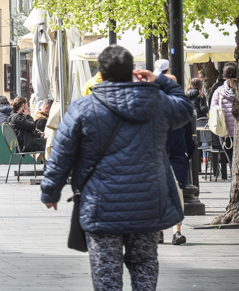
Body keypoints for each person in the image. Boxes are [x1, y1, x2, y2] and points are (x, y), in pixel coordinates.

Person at [41, 45, 193, 291]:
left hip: (101, 206)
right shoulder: (157, 102)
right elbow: (186, 109)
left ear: (99, 75)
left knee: (106, 272)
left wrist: (50, 191)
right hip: (147, 204)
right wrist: (162, 80)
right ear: (133, 71)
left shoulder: (82, 108)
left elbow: (61, 153)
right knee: (144, 263)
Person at [163, 74, 193, 246]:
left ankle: (176, 232)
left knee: (177, 191)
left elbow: (188, 134)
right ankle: (158, 231)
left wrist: (188, 153)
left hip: (177, 155)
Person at [208, 63, 235, 181]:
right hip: (234, 133)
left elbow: (212, 110)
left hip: (225, 133)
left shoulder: (219, 91)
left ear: (224, 76)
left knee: (232, 162)